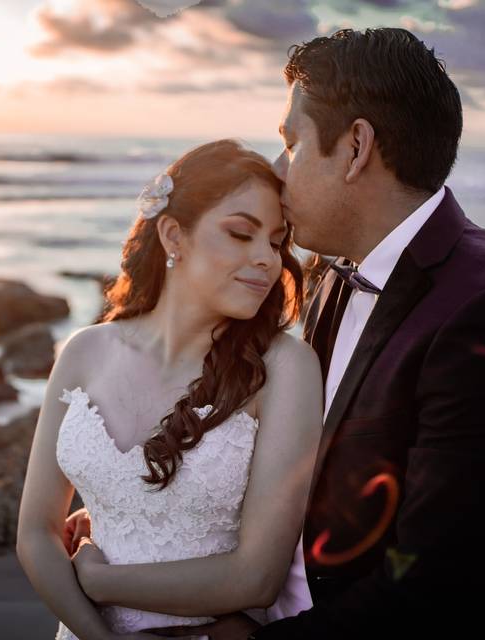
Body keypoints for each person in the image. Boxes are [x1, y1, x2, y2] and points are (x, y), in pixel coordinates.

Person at [64, 28, 485, 640]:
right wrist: (140, 508)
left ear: (356, 147)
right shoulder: (332, 275)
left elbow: (447, 587)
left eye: (291, 143)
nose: (279, 173)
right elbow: (302, 468)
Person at [16, 139, 324, 639]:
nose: (268, 259)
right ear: (173, 235)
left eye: (275, 241)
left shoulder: (285, 369)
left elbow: (256, 580)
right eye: (242, 234)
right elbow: (36, 532)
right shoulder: (83, 353)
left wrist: (101, 580)